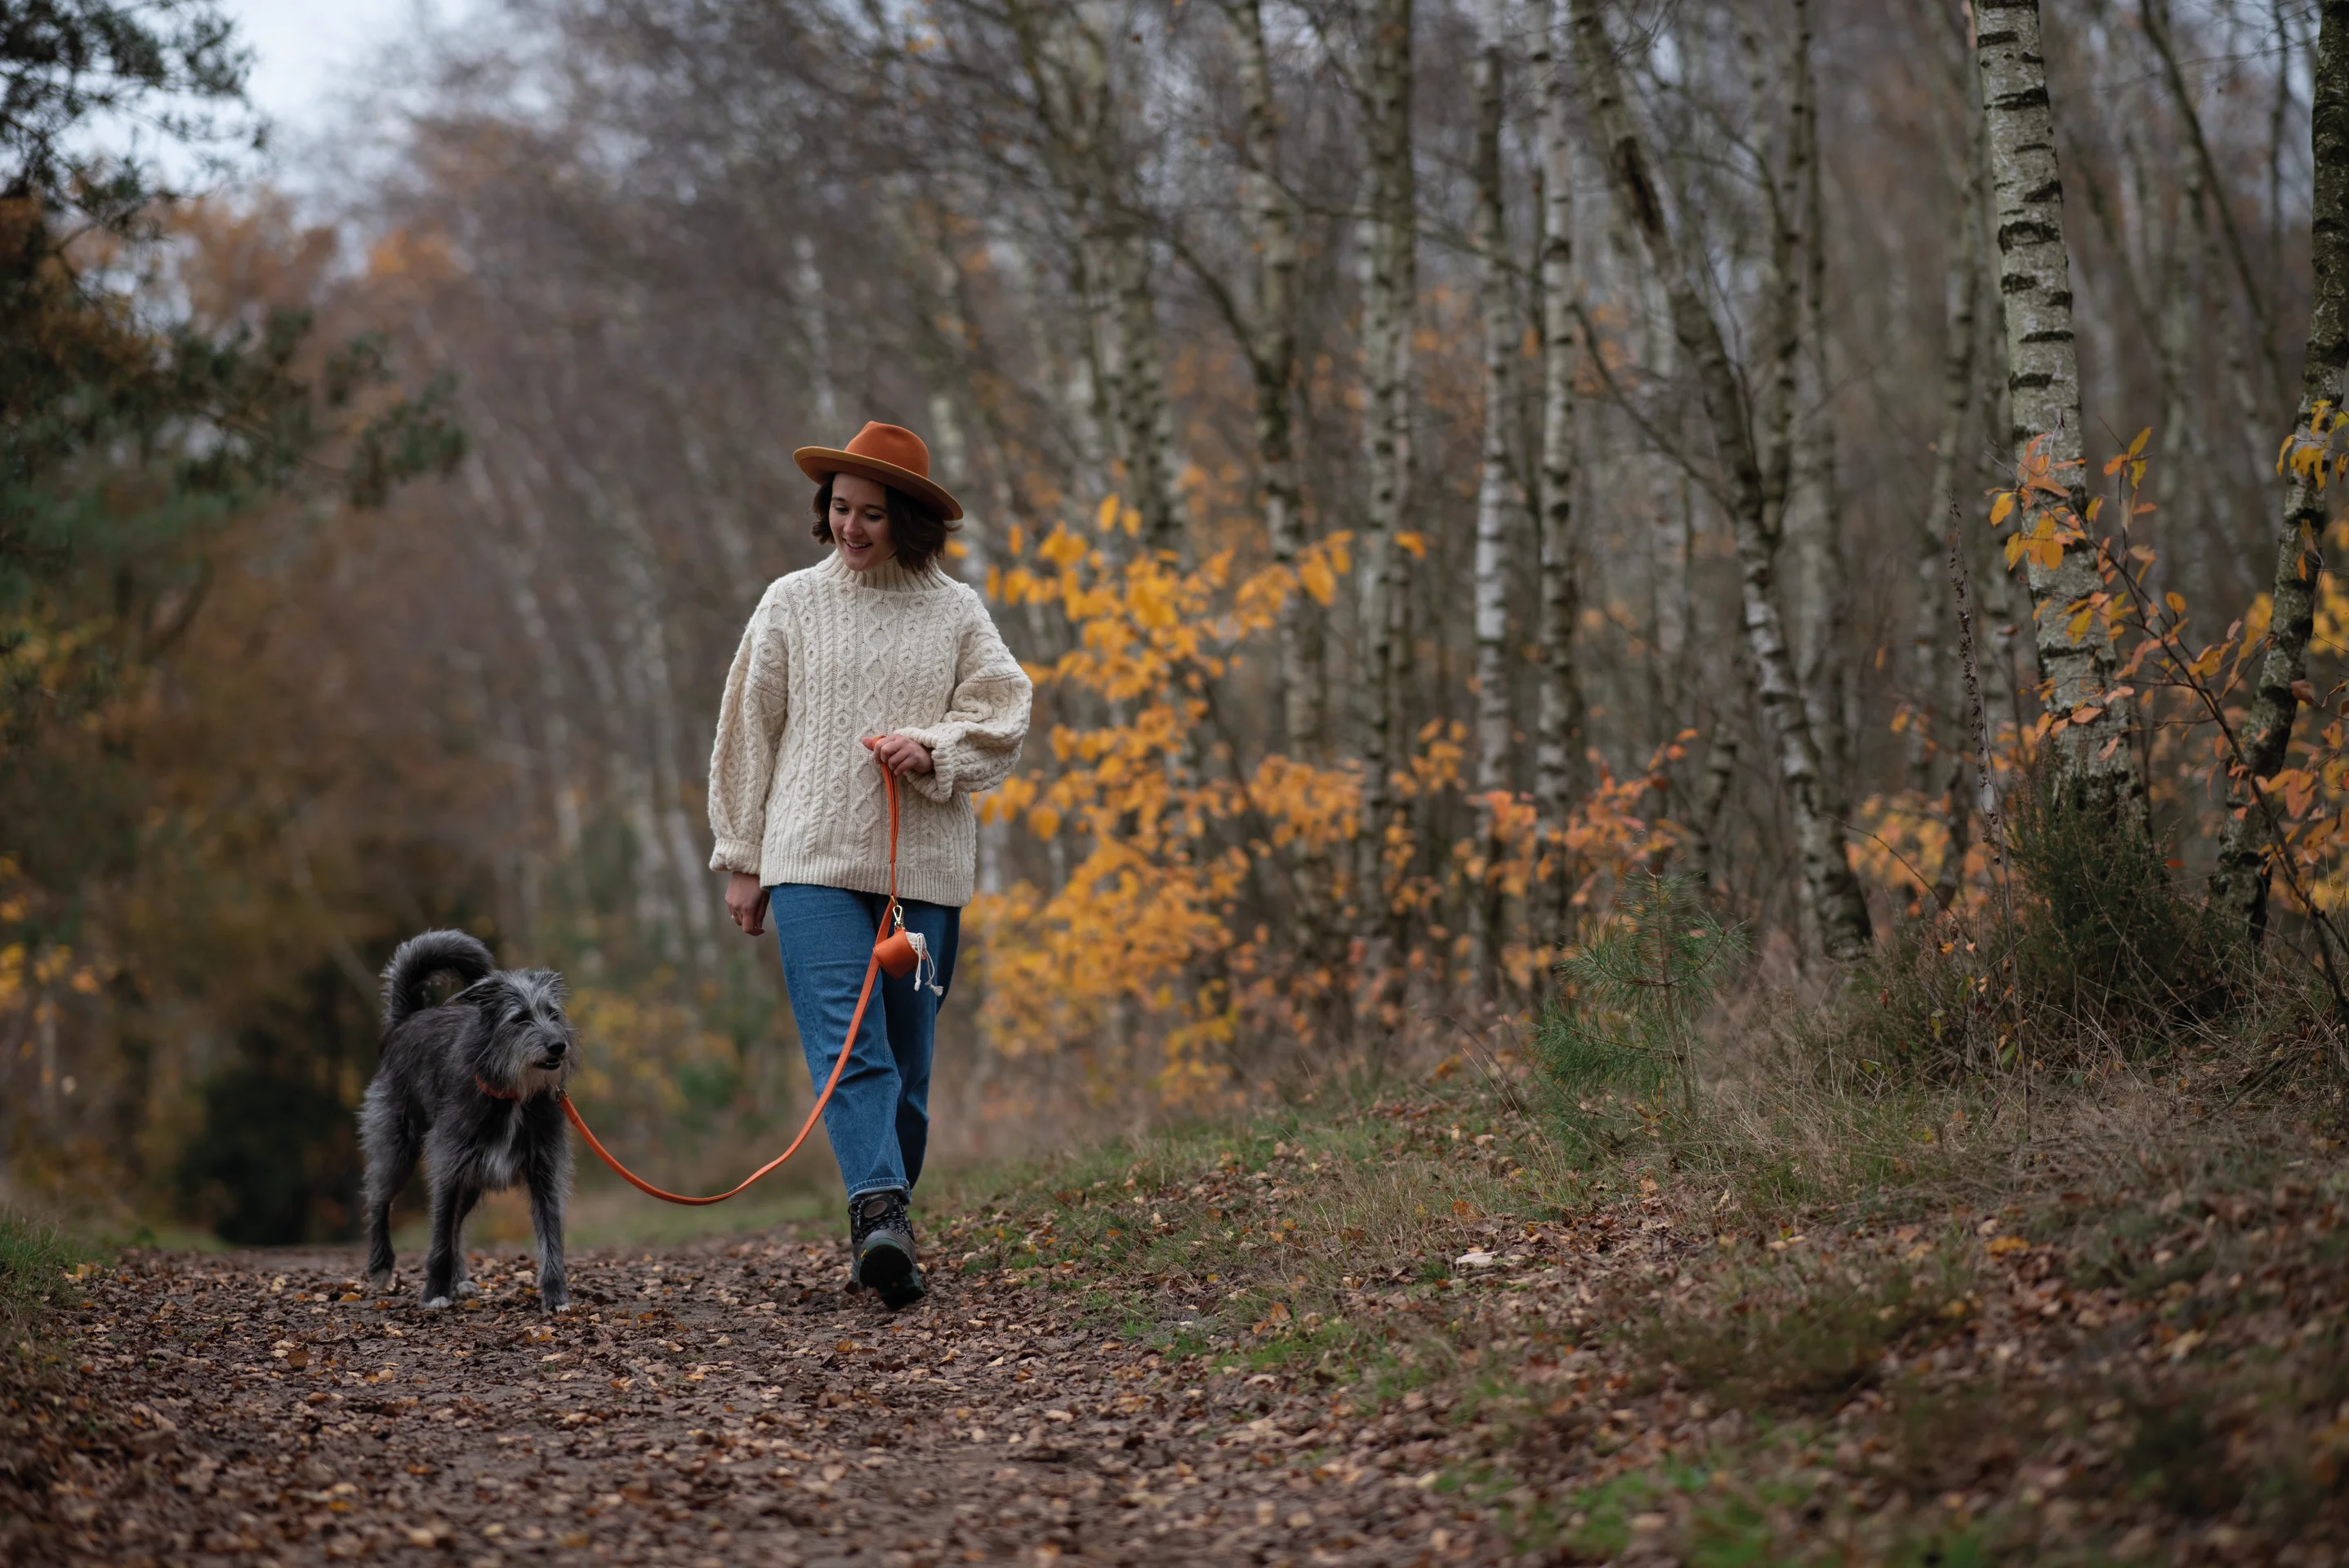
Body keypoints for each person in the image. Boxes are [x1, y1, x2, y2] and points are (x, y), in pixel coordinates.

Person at [706, 421, 1031, 1308]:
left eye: (871, 514)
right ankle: (878, 1216)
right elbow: (747, 731)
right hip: (808, 856)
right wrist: (742, 856)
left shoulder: (955, 612)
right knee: (851, 1047)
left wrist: (933, 749)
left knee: (908, 1070)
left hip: (919, 868)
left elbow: (1004, 714)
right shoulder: (789, 603)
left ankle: (890, 1221)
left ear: (910, 521)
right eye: (840, 509)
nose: (851, 528)